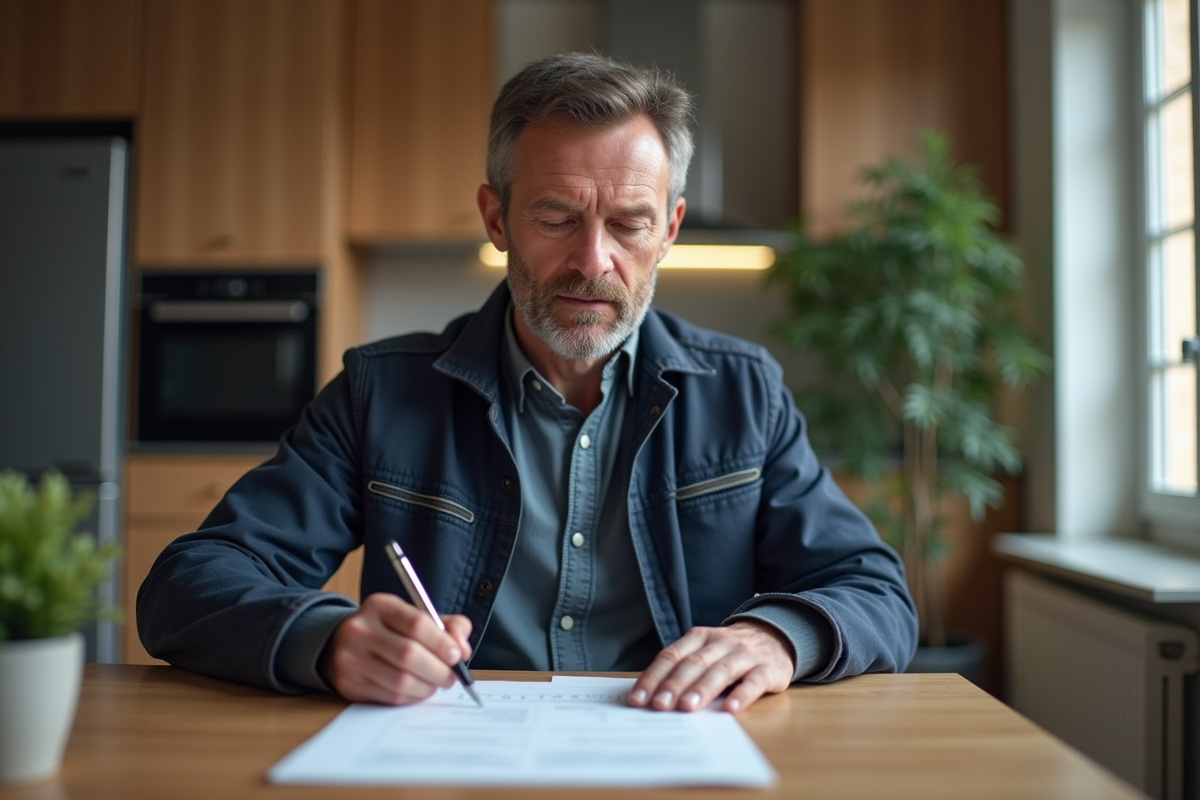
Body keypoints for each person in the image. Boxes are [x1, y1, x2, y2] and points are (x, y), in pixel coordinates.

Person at [138, 53, 916, 714]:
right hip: (449, 762)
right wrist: (331, 639)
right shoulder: (380, 394)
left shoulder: (745, 394)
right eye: (556, 218)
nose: (592, 261)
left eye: (629, 224)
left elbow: (875, 592)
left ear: (670, 229)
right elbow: (186, 584)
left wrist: (777, 637)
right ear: (496, 217)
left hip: (676, 760)